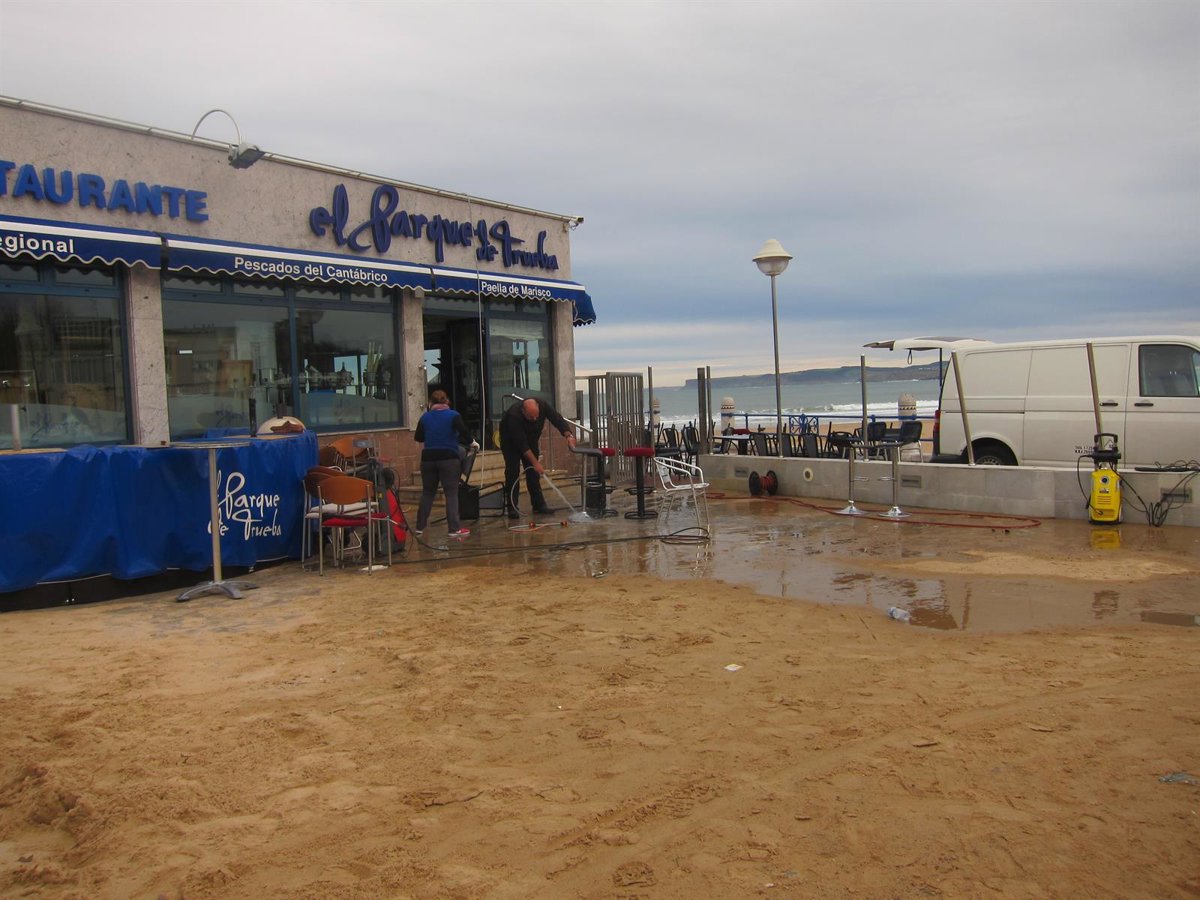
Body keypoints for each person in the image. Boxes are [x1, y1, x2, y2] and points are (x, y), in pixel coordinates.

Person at [499, 396, 576, 520]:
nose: (535, 420)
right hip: (511, 442)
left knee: (533, 474)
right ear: (523, 411)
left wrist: (568, 435)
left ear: (539, 408)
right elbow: (522, 445)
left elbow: (557, 419)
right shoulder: (513, 416)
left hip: (531, 439)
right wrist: (535, 463)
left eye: (537, 416)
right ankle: (512, 507)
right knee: (512, 471)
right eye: (531, 417)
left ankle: (538, 504)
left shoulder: (543, 405)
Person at [414, 390, 476, 539]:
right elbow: (464, 432)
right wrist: (473, 443)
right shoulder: (453, 415)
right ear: (446, 401)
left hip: (428, 459)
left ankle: (419, 527)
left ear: (431, 403)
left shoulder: (425, 417)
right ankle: (454, 529)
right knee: (451, 493)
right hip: (449, 459)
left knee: (428, 492)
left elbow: (419, 437)